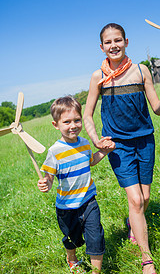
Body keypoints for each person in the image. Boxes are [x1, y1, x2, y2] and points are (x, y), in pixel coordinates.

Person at [83, 23, 160, 274]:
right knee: (135, 199)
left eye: (118, 40)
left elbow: (157, 109)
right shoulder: (98, 77)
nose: (114, 45)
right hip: (118, 146)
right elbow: (88, 115)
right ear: (101, 47)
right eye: (108, 42)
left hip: (145, 140)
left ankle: (133, 224)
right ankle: (147, 260)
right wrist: (96, 139)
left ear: (126, 41)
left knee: (144, 198)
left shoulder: (140, 71)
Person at [37, 96, 115, 274]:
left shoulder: (85, 144)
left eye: (77, 120)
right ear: (56, 125)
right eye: (67, 122)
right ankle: (71, 257)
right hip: (66, 205)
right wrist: (46, 183)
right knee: (72, 238)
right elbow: (49, 175)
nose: (73, 125)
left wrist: (104, 151)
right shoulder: (55, 151)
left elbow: (91, 161)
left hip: (88, 200)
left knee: (96, 237)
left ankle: (96, 272)